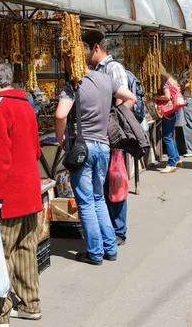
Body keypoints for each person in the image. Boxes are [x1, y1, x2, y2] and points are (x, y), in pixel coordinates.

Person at [0, 59, 43, 327]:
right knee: (26, 250)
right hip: (28, 192)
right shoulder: (25, 104)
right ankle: (30, 305)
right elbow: (35, 151)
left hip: (6, 196)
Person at [55, 52, 135, 266]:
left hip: (82, 148)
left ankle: (95, 252)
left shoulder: (72, 85)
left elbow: (61, 114)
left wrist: (60, 137)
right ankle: (110, 247)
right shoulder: (105, 79)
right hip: (103, 145)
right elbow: (131, 97)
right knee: (99, 198)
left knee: (86, 201)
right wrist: (112, 118)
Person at [81, 30, 131, 247]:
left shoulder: (113, 68)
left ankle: (118, 229)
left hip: (111, 136)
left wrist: (112, 123)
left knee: (115, 180)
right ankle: (108, 229)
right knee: (102, 186)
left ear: (95, 48)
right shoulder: (95, 70)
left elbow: (126, 100)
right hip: (100, 136)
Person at [156, 64, 182, 174]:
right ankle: (176, 158)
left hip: (169, 110)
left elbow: (167, 96)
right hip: (174, 110)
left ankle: (171, 164)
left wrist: (155, 97)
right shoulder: (167, 77)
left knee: (166, 136)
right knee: (169, 135)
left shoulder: (162, 79)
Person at [178, 56, 192, 157]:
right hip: (184, 98)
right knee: (185, 124)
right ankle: (186, 147)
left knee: (188, 124)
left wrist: (181, 87)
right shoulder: (185, 69)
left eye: (186, 57)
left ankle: (191, 149)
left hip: (189, 98)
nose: (183, 59)